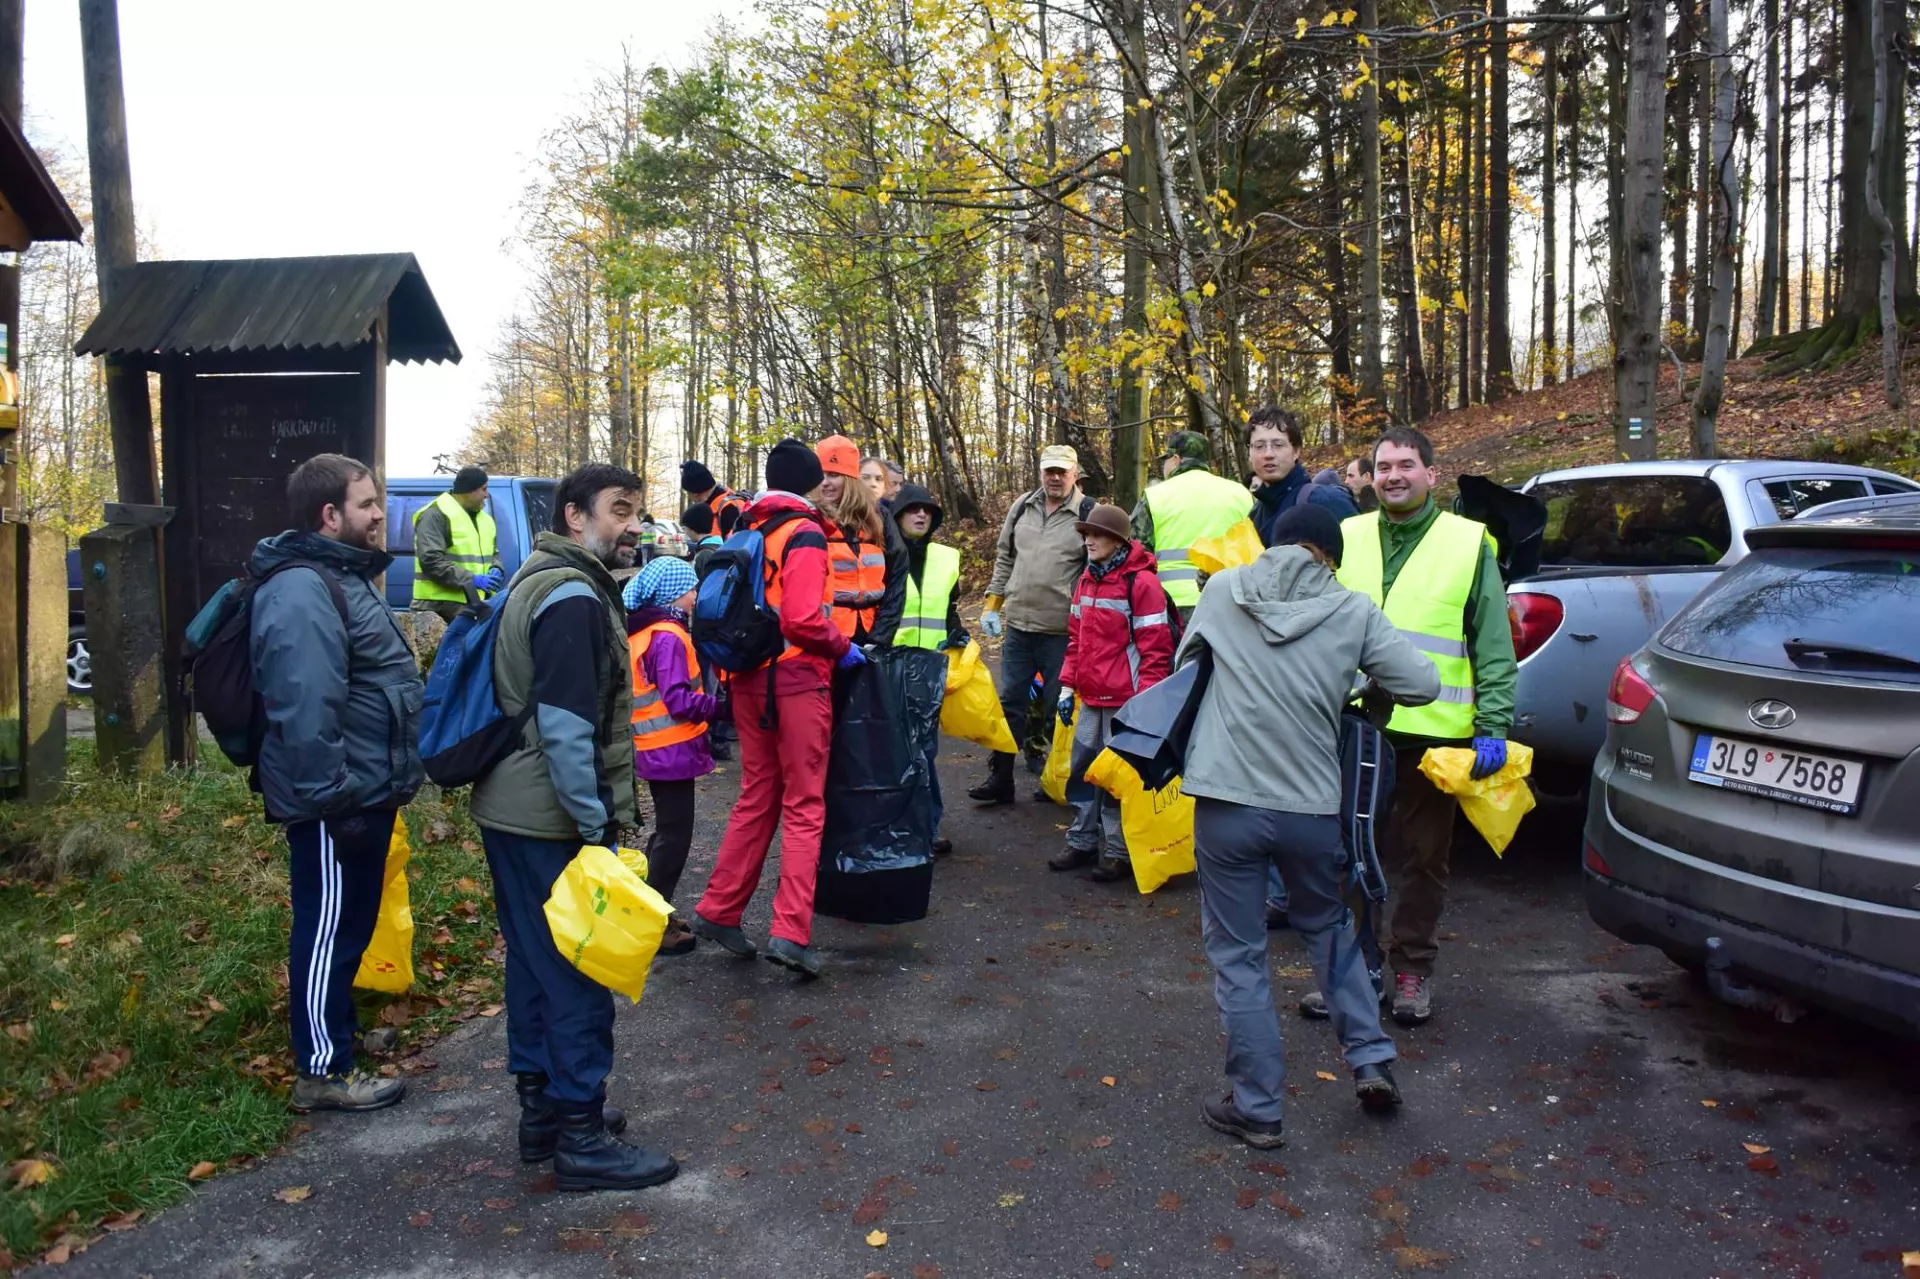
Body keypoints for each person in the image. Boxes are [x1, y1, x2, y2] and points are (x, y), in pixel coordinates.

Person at [1176, 503, 1440, 1147]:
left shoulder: (1220, 590)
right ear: (1332, 558)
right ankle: (1372, 1061)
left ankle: (1258, 1107)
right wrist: (1362, 696)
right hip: (1312, 807)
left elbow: (1188, 671)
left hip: (1226, 800)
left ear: (1273, 544)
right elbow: (1423, 684)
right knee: (1328, 929)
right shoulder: (1353, 611)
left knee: (1240, 957)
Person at [469, 462, 678, 1193]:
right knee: (576, 972)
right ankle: (582, 1138)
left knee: (532, 963)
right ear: (573, 515)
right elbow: (563, 728)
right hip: (549, 818)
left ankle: (545, 1118)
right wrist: (598, 829)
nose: (633, 525)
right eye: (620, 510)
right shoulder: (572, 598)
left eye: (638, 511)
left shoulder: (541, 579)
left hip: (514, 810)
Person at [251, 454, 424, 1115]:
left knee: (349, 922)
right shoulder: (302, 589)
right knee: (326, 925)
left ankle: (336, 1031)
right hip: (334, 796)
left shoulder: (342, 578)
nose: (381, 514)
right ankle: (321, 1066)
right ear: (330, 515)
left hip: (361, 787)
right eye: (368, 503)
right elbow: (305, 703)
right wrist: (334, 797)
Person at [1329, 426, 1517, 1027]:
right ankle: (1354, 971)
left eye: (1406, 465)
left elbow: (1493, 643)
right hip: (1358, 723)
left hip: (1436, 734)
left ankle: (1410, 969)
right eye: (1383, 466)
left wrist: (1493, 723)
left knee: (1424, 857)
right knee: (1351, 853)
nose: (1392, 476)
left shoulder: (1468, 544)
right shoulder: (1349, 535)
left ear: (1431, 475)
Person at [693, 439, 858, 979]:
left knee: (757, 796)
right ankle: (790, 932)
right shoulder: (805, 531)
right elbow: (805, 620)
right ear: (812, 482)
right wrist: (843, 648)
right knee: (806, 805)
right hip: (796, 681)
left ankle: (720, 910)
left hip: (747, 678)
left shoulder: (746, 527)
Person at [1052, 502, 1177, 882]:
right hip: (1091, 697)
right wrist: (1066, 686)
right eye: (1086, 534)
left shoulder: (1142, 584)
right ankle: (1083, 841)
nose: (1088, 540)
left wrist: (1147, 704)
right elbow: (1076, 640)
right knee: (1083, 772)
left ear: (1117, 540)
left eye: (1096, 534)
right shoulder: (1087, 579)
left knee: (1116, 777)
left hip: (1126, 702)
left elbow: (1156, 650)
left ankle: (1120, 852)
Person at [972, 444, 1095, 802]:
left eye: (1062, 471)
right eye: (1049, 471)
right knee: (1010, 702)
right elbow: (1004, 556)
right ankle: (1001, 778)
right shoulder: (1023, 505)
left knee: (1061, 707)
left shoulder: (1088, 511)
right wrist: (992, 604)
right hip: (1019, 628)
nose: (1055, 477)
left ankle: (1056, 780)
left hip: (1063, 633)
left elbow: (1098, 569)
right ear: (1040, 472)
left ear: (1075, 473)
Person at [622, 557, 723, 957]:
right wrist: (720, 707)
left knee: (667, 833)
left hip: (657, 749)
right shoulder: (668, 636)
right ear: (672, 593)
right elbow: (679, 701)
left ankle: (651, 910)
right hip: (671, 751)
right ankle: (653, 923)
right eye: (691, 589)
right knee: (674, 838)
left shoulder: (644, 632)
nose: (696, 597)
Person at [891, 483, 968, 856]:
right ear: (898, 515)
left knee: (925, 749)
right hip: (888, 666)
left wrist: (958, 630)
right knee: (895, 751)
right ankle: (901, 823)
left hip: (932, 667)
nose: (921, 515)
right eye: (913, 510)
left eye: (927, 511)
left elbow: (949, 607)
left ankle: (929, 825)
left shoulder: (947, 557)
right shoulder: (884, 554)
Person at [1131, 430, 1255, 623]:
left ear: (1176, 459)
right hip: (1230, 602)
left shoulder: (1155, 496)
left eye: (1166, 460)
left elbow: (1135, 555)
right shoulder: (1241, 494)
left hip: (1170, 604)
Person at [816, 436, 905, 645]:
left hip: (871, 633)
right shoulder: (809, 518)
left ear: (849, 479)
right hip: (826, 638)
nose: (825, 482)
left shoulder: (879, 517)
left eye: (833, 475)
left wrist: (880, 638)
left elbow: (897, 579)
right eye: (820, 475)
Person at [1245, 409, 1357, 547]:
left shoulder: (1325, 501)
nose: (1268, 454)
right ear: (1249, 453)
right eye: (1259, 446)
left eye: (1278, 445)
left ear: (1296, 451)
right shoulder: (1255, 514)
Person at [409, 465, 503, 622]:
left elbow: (493, 553)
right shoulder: (436, 514)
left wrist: (496, 567)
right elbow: (431, 560)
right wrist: (471, 579)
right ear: (469, 491)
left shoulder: (485, 520)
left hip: (472, 605)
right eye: (483, 489)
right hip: (437, 608)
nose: (486, 495)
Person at [682, 459, 748, 538]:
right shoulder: (719, 503)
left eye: (688, 492)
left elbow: (736, 544)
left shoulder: (729, 507)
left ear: (695, 493)